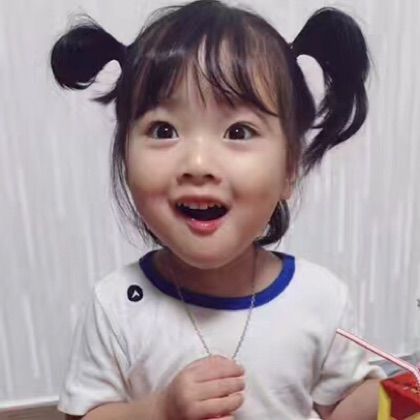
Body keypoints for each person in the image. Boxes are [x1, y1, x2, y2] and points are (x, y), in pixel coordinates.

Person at [51, 0, 385, 418]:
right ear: (124, 159)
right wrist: (160, 411)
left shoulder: (319, 298)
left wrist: (387, 395)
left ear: (289, 169)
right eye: (163, 130)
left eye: (238, 131)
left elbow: (347, 403)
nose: (197, 164)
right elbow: (84, 415)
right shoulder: (117, 305)